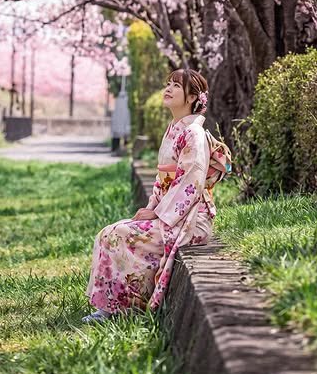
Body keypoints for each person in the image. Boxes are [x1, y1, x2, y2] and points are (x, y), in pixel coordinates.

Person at [82, 68, 216, 322]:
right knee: (109, 233)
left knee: (117, 235)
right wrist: (152, 206)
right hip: (172, 211)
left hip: (190, 218)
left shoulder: (194, 134)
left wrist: (157, 212)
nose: (168, 89)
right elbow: (161, 181)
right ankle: (115, 305)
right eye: (168, 83)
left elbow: (191, 182)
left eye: (176, 86)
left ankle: (119, 308)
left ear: (192, 97)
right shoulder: (174, 129)